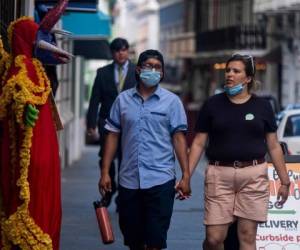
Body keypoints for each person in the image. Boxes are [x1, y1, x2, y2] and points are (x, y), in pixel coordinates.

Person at [188, 54, 290, 250]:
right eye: (228, 70)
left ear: (248, 78)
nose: (229, 75)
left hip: (253, 176)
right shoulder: (212, 104)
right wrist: (186, 176)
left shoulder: (262, 106)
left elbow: (273, 145)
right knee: (214, 238)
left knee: (247, 237)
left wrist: (284, 181)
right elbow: (199, 143)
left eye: (236, 71)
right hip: (220, 175)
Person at [99, 49, 191, 250]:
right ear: (139, 69)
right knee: (134, 241)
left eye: (158, 67)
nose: (153, 70)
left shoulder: (172, 102)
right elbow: (112, 135)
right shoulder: (122, 100)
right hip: (129, 180)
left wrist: (186, 175)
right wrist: (105, 171)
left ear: (163, 72)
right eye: (149, 66)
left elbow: (179, 138)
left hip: (161, 179)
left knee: (155, 241)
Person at [0, 1, 71, 248]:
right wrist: (24, 112)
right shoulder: (25, 70)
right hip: (34, 153)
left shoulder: (31, 69)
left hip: (38, 151)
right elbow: (17, 110)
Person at [87, 38, 137, 207]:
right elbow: (95, 99)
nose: (120, 53)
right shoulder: (102, 72)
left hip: (129, 124)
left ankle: (123, 195)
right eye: (117, 51)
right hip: (106, 122)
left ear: (128, 51)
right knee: (106, 157)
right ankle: (110, 189)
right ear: (112, 53)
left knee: (126, 159)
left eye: (123, 50)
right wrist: (91, 124)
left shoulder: (136, 72)